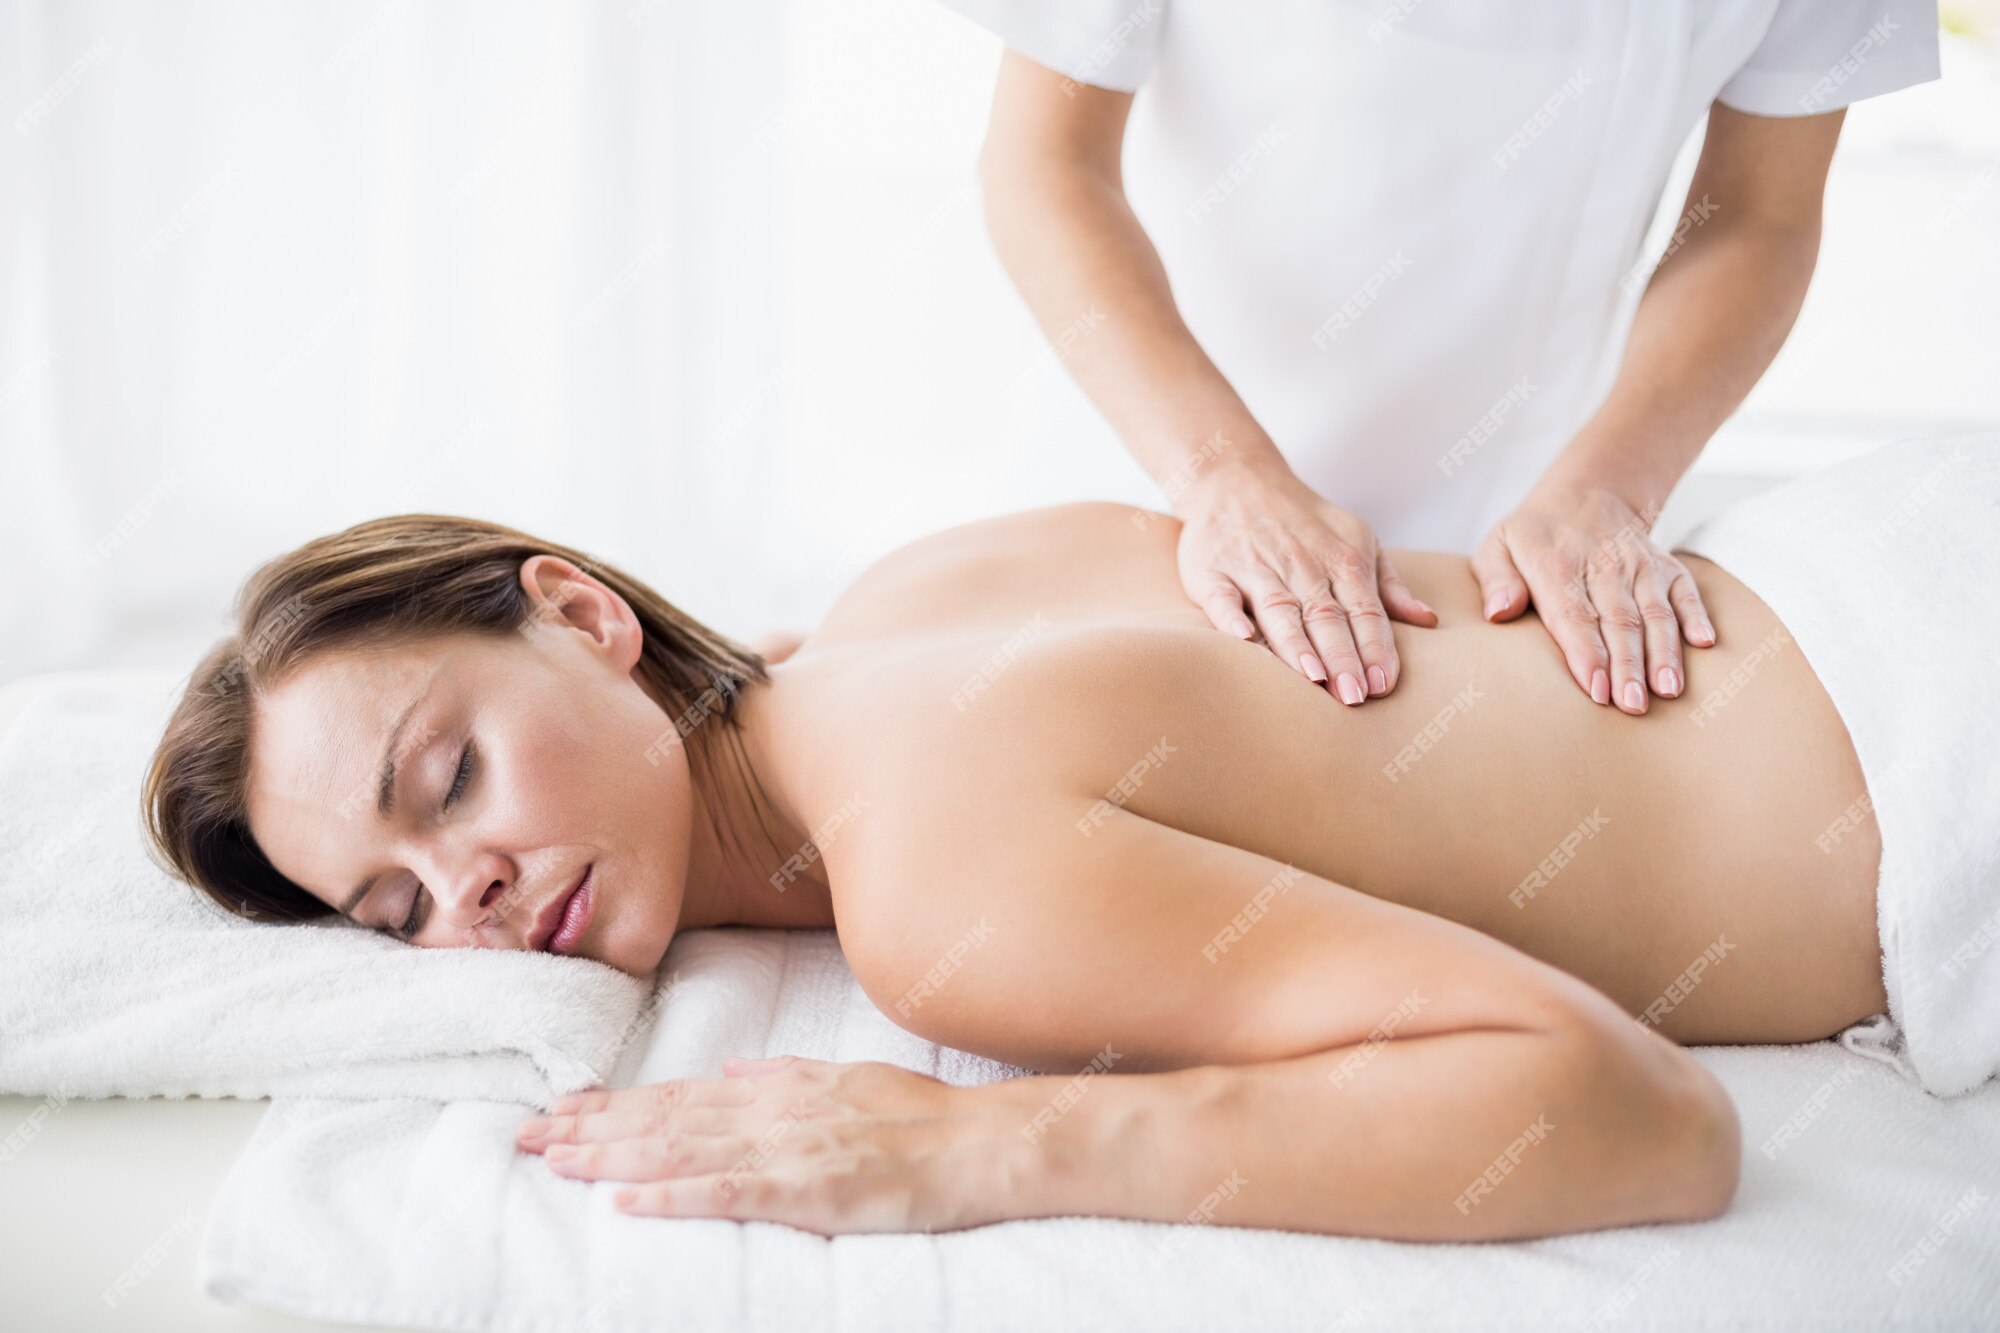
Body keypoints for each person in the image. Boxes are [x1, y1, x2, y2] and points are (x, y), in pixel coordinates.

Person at [141, 435, 2000, 1243]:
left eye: (445, 775)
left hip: (1945, 757)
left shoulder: (936, 886)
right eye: (388, 907)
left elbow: (1638, 1118)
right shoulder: (902, 600)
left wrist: (976, 1143)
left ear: (583, 610)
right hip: (1878, 548)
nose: (458, 892)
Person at [944, 0, 1940, 714]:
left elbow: (1753, 219)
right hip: (1150, 488)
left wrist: (1610, 488)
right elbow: (1045, 163)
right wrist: (1222, 477)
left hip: (1521, 560)